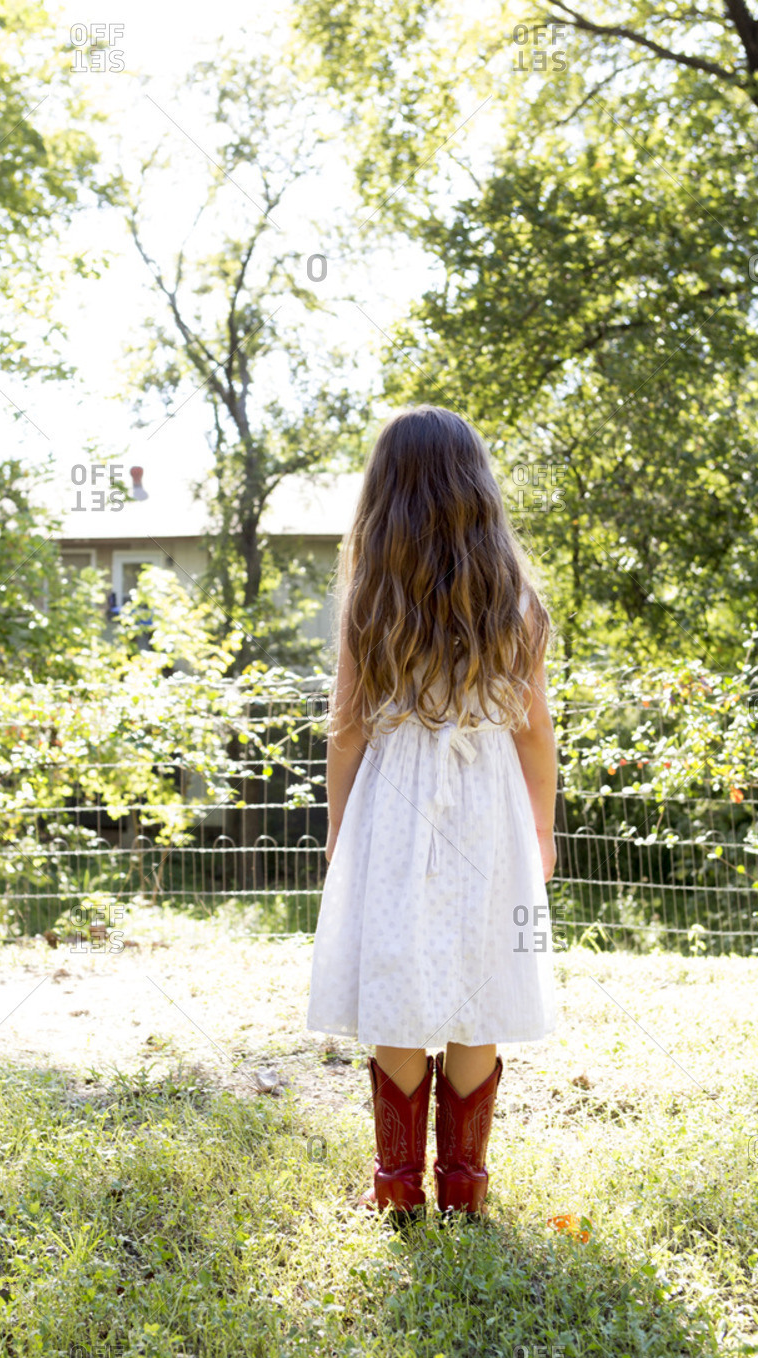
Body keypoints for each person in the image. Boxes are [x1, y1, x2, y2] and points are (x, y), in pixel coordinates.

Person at [306, 404, 558, 1222]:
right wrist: (541, 832)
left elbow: (346, 736)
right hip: (489, 814)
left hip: (395, 812)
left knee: (399, 981)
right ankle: (464, 1188)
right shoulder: (515, 603)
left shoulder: (371, 602)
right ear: (476, 491)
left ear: (385, 496)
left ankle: (395, 1189)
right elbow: (533, 733)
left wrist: (341, 835)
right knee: (483, 981)